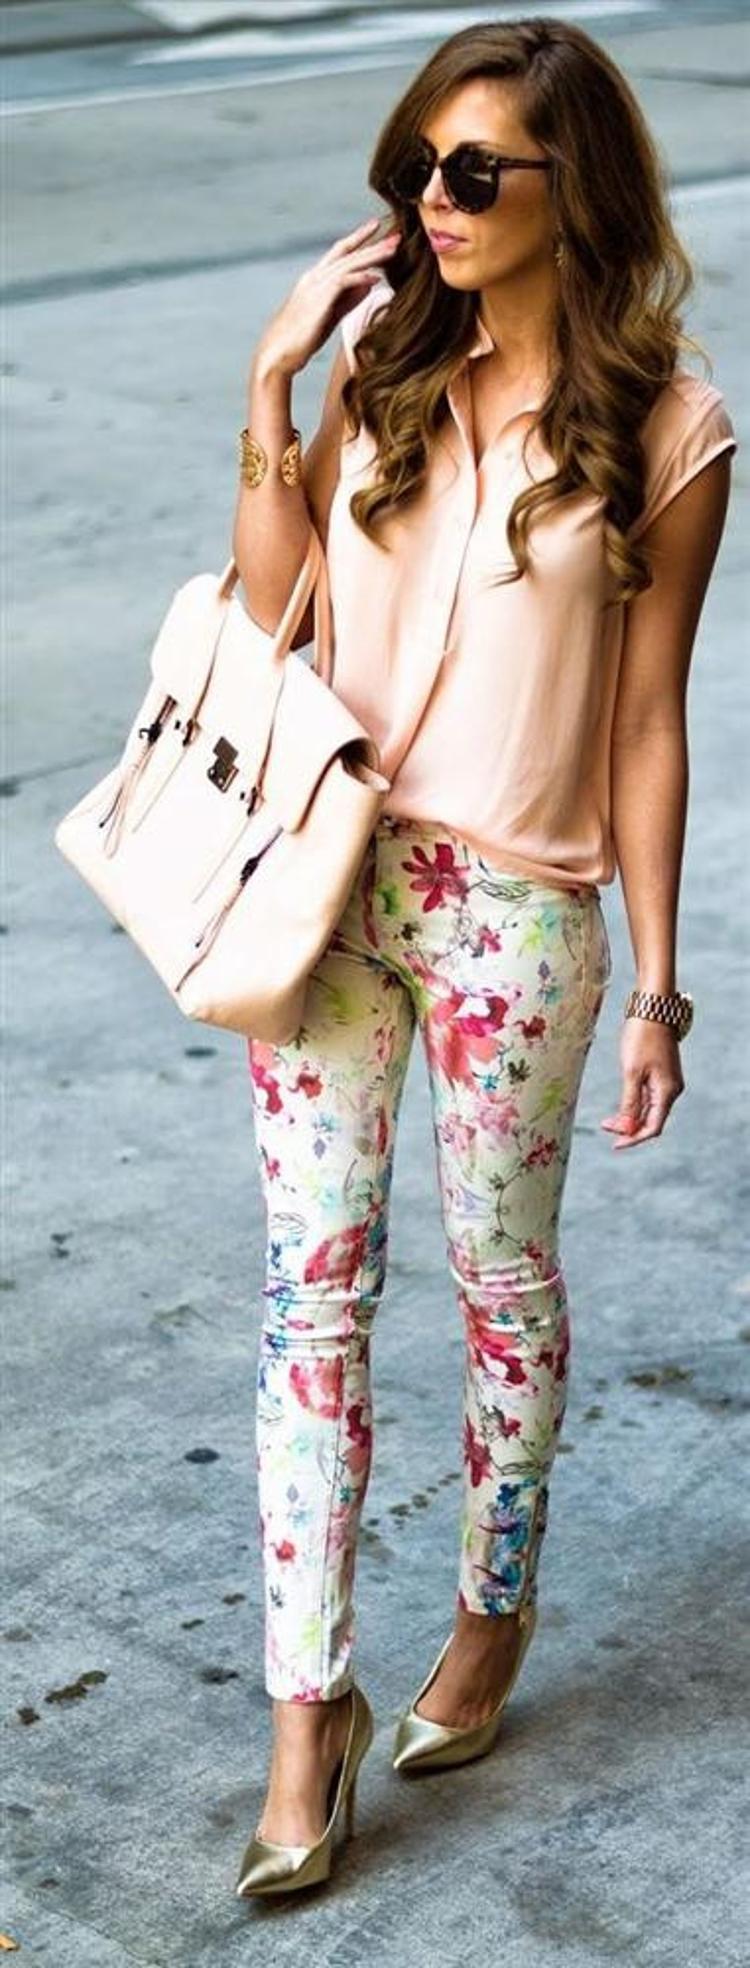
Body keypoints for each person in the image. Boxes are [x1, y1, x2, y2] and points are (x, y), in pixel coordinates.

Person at [230, 17, 737, 1900]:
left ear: (566, 190)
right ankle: (306, 1714)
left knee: (501, 1286)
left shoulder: (667, 428)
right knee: (310, 1300)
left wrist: (658, 987)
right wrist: (274, 385)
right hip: (327, 892)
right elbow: (266, 616)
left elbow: (647, 724)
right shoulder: (380, 366)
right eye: (413, 170)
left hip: (519, 913)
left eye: (469, 173)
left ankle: (491, 1609)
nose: (429, 205)